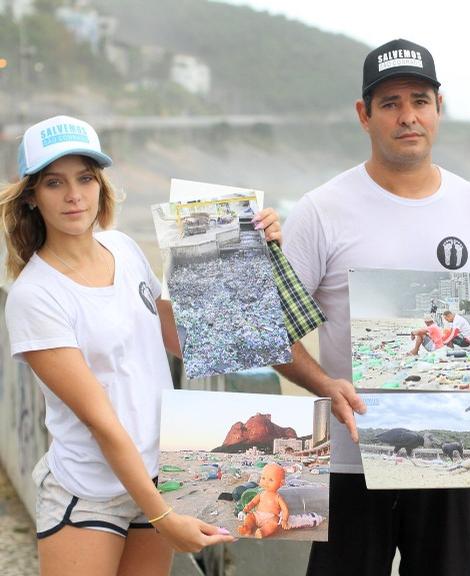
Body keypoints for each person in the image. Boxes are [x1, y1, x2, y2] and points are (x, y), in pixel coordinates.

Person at [277, 39, 470, 576]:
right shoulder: (321, 210)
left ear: (439, 108)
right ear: (364, 114)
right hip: (350, 461)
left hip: (453, 467)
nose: (407, 116)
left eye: (419, 100)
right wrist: (325, 384)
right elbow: (269, 332)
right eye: (390, 103)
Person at [0, 115, 280, 575]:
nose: (74, 195)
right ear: (32, 195)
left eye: (85, 178)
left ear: (100, 184)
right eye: (54, 182)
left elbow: (183, 337)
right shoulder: (36, 295)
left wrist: (248, 253)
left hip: (156, 471)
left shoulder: (125, 249)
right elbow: (100, 421)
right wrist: (163, 514)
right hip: (90, 489)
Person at [237, 463, 290, 538]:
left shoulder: (278, 497)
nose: (265, 482)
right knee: (250, 516)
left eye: (271, 480)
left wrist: (284, 520)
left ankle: (263, 531)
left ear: (281, 484)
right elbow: (253, 502)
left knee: (274, 523)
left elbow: (285, 510)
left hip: (270, 518)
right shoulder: (261, 494)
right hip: (258, 515)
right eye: (263, 478)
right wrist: (248, 507)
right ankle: (247, 527)